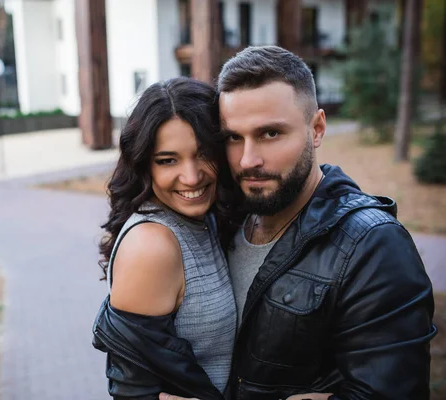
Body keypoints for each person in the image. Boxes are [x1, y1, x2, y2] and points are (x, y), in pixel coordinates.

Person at [161, 46, 437, 400]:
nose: (248, 160)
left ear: (317, 129)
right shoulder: (220, 218)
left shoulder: (373, 246)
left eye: (270, 134)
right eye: (233, 137)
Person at [92, 77, 239, 399]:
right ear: (144, 164)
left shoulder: (205, 219)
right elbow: (134, 393)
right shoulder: (152, 244)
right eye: (167, 160)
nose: (191, 177)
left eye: (203, 154)